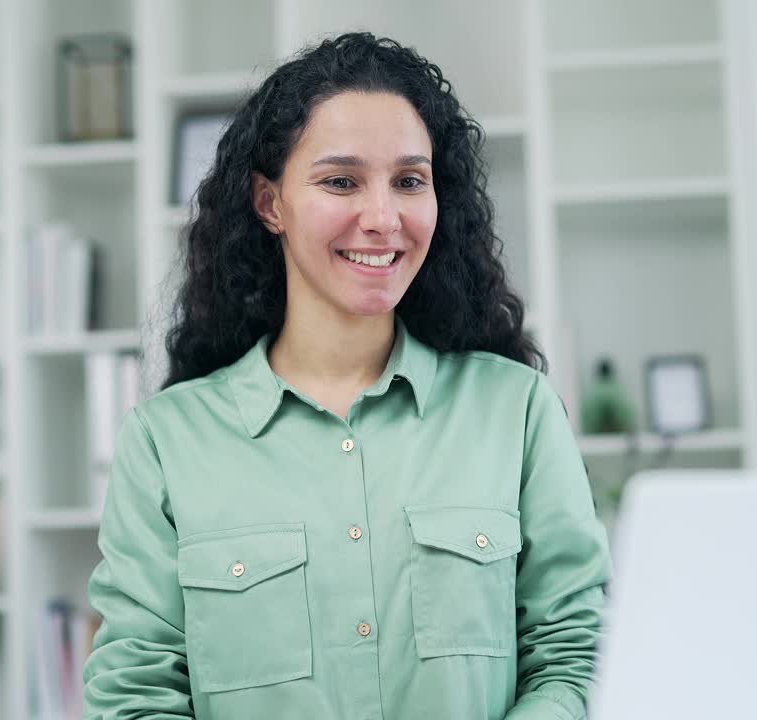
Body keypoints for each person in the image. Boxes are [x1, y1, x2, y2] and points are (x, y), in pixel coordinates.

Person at [82, 32, 611, 720]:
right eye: (341, 181)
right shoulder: (165, 442)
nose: (383, 218)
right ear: (269, 203)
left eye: (410, 181)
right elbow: (133, 696)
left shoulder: (518, 411)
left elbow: (576, 654)